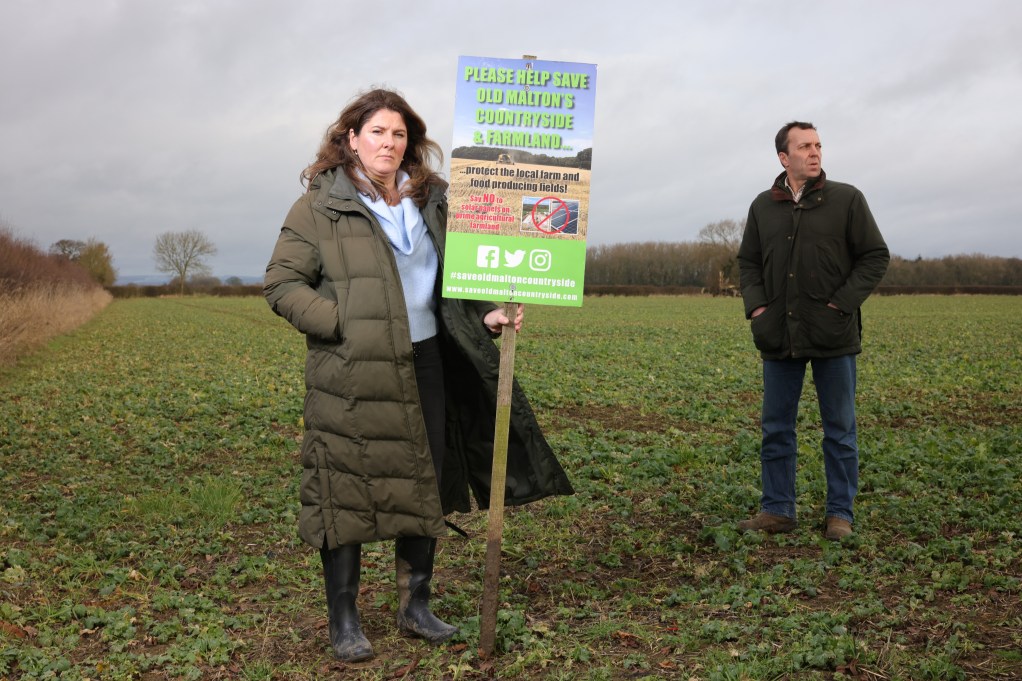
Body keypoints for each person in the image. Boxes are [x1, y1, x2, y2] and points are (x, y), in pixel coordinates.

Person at [264, 88, 573, 661]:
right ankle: (346, 620)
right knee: (345, 491)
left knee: (424, 478)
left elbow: (461, 277)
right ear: (351, 138)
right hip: (351, 369)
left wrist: (489, 312)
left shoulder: (430, 201)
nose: (389, 143)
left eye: (399, 134)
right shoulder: (319, 206)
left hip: (428, 361)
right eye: (377, 132)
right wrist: (341, 322)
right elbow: (282, 284)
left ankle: (416, 605)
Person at [736, 121, 889, 541]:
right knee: (776, 427)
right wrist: (758, 309)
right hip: (778, 334)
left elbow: (875, 256)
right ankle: (777, 510)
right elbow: (748, 262)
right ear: (784, 158)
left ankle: (840, 514)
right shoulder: (763, 206)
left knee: (839, 429)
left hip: (833, 335)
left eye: (818, 144)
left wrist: (841, 305)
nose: (815, 152)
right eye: (804, 146)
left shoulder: (847, 200)